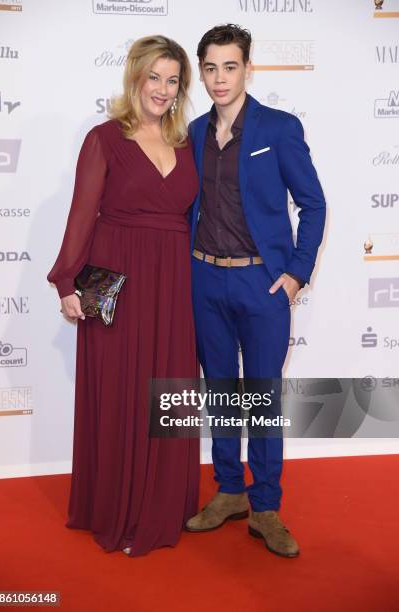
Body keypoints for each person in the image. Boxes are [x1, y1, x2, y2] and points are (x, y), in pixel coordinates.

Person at [47, 35, 200, 557]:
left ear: (182, 88)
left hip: (173, 284)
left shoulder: (186, 143)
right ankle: (118, 510)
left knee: (168, 392)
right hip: (117, 281)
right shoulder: (104, 138)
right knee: (120, 394)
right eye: (154, 76)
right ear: (135, 76)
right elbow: (82, 213)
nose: (162, 89)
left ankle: (160, 508)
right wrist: (68, 282)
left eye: (173, 79)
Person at [185, 24, 326, 558]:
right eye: (211, 67)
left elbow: (313, 205)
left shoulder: (279, 128)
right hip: (204, 279)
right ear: (201, 71)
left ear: (248, 68)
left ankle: (265, 506)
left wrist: (295, 273)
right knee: (222, 393)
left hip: (261, 282)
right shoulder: (194, 132)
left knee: (262, 398)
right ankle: (229, 492)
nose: (220, 78)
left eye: (230, 66)